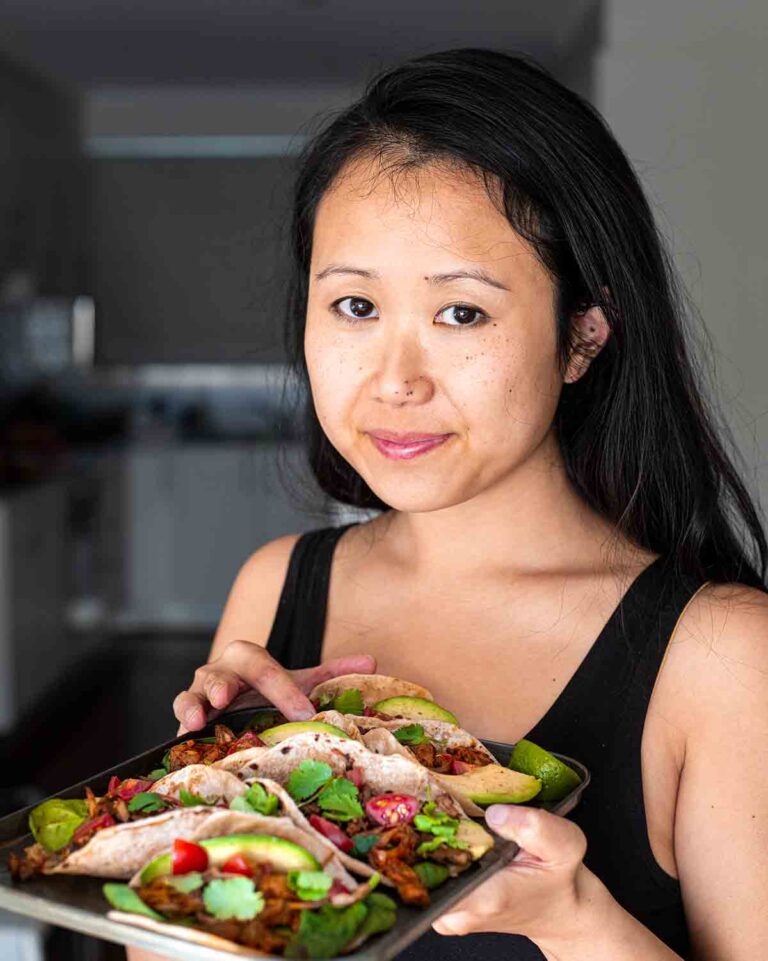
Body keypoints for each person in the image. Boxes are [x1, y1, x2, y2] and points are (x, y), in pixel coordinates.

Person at [127, 48, 768, 961]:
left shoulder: (725, 658)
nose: (394, 381)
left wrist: (570, 918)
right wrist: (207, 804)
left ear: (583, 334)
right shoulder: (274, 589)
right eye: (353, 306)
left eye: (461, 313)